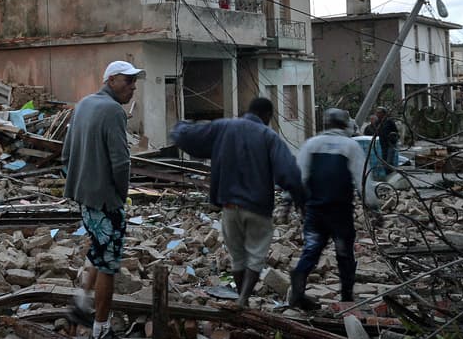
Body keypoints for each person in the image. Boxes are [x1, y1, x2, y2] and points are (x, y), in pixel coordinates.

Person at [170, 97, 304, 308]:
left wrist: (180, 126)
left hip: (229, 206)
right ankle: (243, 298)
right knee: (256, 254)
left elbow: (190, 138)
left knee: (238, 257)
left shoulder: (224, 127)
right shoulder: (269, 136)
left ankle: (241, 298)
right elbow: (288, 172)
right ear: (267, 116)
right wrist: (298, 199)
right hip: (258, 208)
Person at [62, 60, 142, 339]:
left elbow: (66, 152)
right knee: (108, 264)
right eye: (128, 81)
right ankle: (101, 332)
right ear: (110, 80)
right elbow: (122, 163)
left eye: (135, 82)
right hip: (106, 199)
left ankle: (80, 307)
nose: (133, 87)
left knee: (97, 250)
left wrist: (77, 186)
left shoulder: (83, 104)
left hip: (86, 198)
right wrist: (120, 196)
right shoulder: (113, 111)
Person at [289, 108, 368, 309]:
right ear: (345, 124)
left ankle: (298, 287)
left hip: (315, 210)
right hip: (340, 212)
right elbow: (363, 180)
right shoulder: (351, 146)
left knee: (312, 248)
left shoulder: (311, 144)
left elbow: (298, 177)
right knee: (344, 253)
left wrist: (288, 201)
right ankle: (347, 298)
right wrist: (373, 206)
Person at [375, 106, 400, 170]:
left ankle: (389, 174)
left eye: (379, 113)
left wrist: (392, 136)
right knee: (384, 160)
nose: (377, 114)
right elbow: (377, 132)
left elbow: (396, 132)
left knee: (389, 161)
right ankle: (386, 174)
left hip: (391, 143)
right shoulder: (377, 122)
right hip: (383, 144)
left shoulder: (389, 121)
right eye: (377, 113)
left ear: (383, 113)